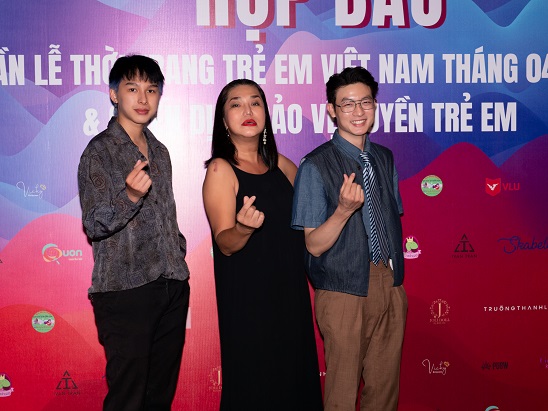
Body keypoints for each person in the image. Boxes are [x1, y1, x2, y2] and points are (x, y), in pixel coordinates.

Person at [78, 55, 190, 411]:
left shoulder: (160, 152)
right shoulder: (99, 151)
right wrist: (129, 197)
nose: (143, 98)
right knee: (127, 398)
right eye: (132, 88)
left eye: (151, 90)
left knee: (159, 397)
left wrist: (177, 255)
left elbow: (166, 215)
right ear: (114, 94)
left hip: (172, 284)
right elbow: (94, 224)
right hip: (124, 291)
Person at [291, 66, 408, 411]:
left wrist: (394, 281)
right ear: (332, 109)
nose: (358, 111)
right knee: (341, 397)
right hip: (342, 289)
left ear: (375, 106)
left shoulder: (384, 158)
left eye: (365, 102)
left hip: (389, 282)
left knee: (384, 395)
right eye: (347, 104)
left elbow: (392, 218)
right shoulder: (315, 165)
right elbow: (313, 244)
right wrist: (343, 210)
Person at [202, 79, 323, 410]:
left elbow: (314, 221)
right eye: (236, 104)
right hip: (249, 304)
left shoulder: (284, 166)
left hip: (291, 296)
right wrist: (243, 228)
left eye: (255, 102)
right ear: (224, 120)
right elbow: (224, 242)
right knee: (257, 388)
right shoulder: (220, 169)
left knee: (295, 384)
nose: (248, 110)